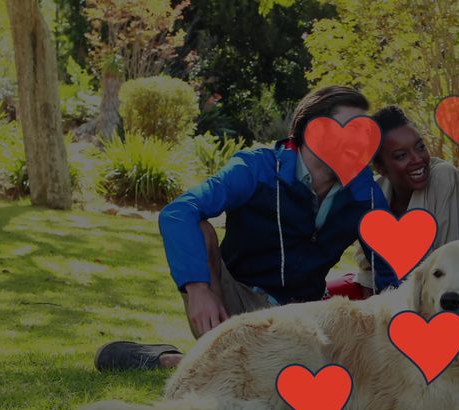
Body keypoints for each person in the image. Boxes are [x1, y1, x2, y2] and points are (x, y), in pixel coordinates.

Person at [95, 86, 400, 371]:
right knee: (200, 229)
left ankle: (184, 361)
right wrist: (198, 288)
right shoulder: (257, 168)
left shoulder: (364, 192)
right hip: (234, 301)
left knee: (327, 369)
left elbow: (391, 262)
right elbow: (178, 213)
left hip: (301, 312)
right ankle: (179, 357)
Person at [327, 105, 459, 299]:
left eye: (420, 147)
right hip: (385, 301)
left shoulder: (444, 178)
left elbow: (455, 263)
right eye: (401, 155)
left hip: (438, 300)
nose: (418, 159)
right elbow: (368, 270)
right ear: (381, 167)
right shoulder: (376, 191)